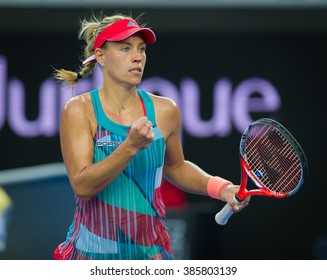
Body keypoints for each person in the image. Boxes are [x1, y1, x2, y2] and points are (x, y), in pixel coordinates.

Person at [52, 12, 250, 260]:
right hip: (91, 256)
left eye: (142, 49)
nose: (138, 57)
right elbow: (82, 186)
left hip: (150, 255)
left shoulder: (166, 110)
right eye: (125, 49)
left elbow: (176, 167)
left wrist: (221, 188)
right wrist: (130, 146)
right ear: (101, 55)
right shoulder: (79, 109)